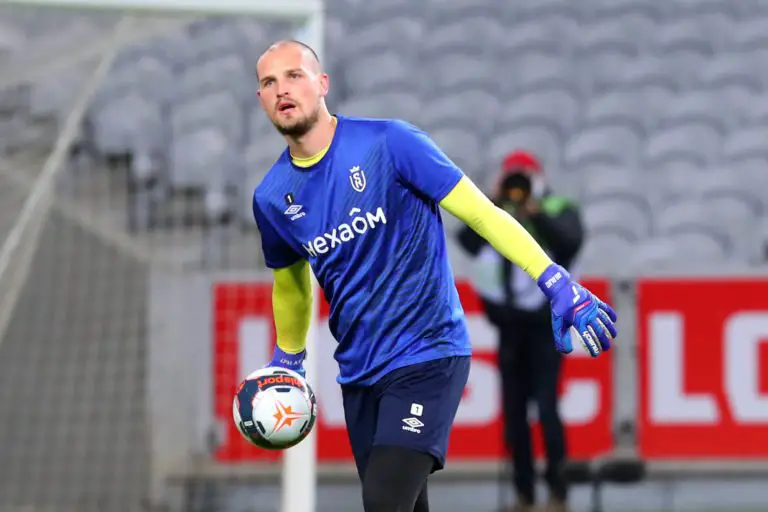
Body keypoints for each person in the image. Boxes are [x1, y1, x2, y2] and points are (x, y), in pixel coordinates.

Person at [251, 40, 616, 512]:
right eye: (269, 82)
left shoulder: (390, 143)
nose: (282, 89)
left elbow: (483, 214)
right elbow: (291, 284)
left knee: (384, 500)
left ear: (322, 84)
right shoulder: (272, 197)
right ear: (261, 99)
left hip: (428, 353)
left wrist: (554, 281)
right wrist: (288, 359)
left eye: (294, 75)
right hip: (359, 372)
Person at [457, 151, 585, 512]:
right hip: (511, 325)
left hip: (547, 325)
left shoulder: (558, 208)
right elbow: (467, 241)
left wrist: (535, 211)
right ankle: (523, 493)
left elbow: (570, 242)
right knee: (514, 415)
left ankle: (558, 491)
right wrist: (492, 201)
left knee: (546, 407)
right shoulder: (499, 214)